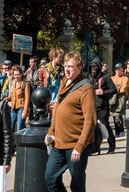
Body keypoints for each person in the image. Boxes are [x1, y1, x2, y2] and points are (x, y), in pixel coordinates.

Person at [44, 51, 96, 192]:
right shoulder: (64, 83)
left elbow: (90, 120)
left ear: (79, 67)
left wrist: (80, 146)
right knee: (50, 178)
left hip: (75, 144)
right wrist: (51, 132)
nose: (67, 69)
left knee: (77, 184)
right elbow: (58, 109)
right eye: (65, 65)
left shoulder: (86, 88)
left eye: (71, 66)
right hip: (58, 143)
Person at [89, 58, 116, 154]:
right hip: (91, 106)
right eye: (92, 66)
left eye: (95, 66)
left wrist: (103, 92)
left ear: (99, 67)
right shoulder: (90, 77)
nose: (93, 68)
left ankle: (112, 145)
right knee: (92, 127)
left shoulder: (106, 77)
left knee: (104, 126)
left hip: (102, 106)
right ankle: (94, 148)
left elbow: (114, 90)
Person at [4, 66, 31, 133]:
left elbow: (27, 99)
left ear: (21, 74)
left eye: (18, 74)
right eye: (15, 75)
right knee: (11, 126)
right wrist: (8, 99)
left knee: (20, 127)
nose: (16, 76)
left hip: (21, 108)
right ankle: (12, 142)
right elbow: (13, 96)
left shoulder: (25, 84)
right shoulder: (13, 83)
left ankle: (20, 142)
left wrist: (25, 112)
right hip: (13, 108)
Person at [111, 63, 129, 137]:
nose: (117, 70)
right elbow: (110, 87)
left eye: (119, 69)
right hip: (113, 98)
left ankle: (121, 130)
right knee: (114, 115)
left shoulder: (125, 78)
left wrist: (114, 89)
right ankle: (117, 132)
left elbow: (123, 89)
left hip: (121, 98)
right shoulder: (112, 78)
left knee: (118, 115)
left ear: (122, 69)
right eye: (116, 69)